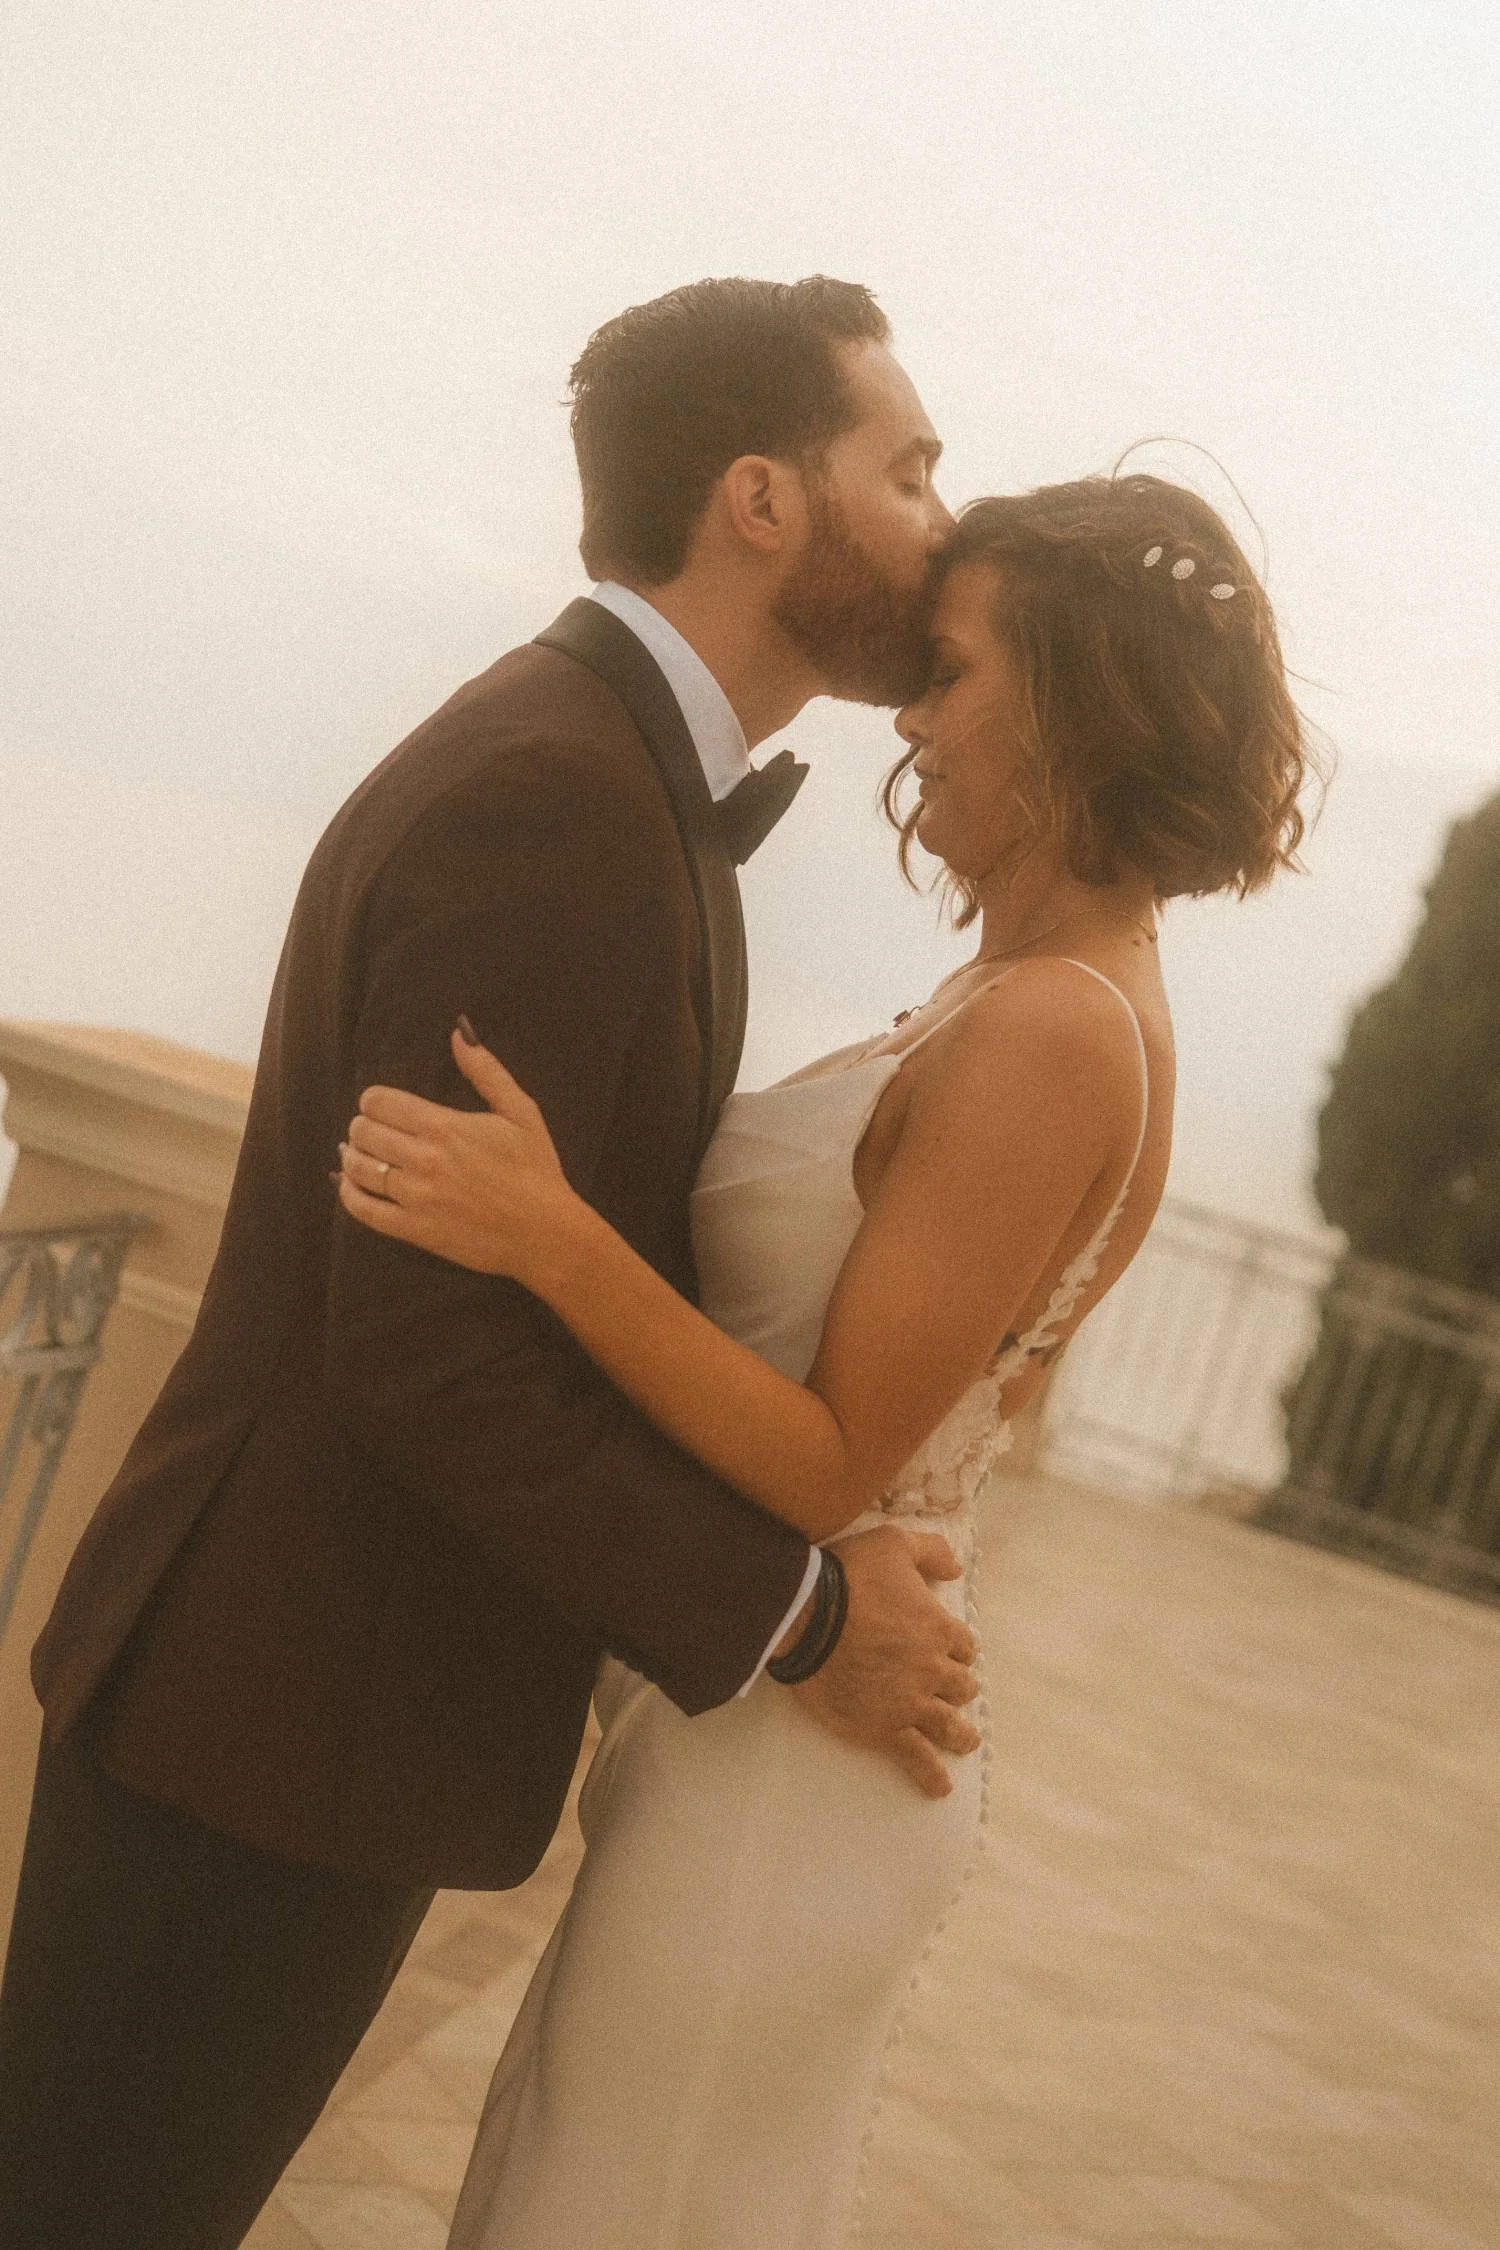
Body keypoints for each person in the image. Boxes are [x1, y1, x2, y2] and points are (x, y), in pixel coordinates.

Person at [0, 276, 982, 2250]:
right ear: (764, 500)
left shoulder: (613, 783)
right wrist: (796, 1617)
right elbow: (430, 1357)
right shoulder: (558, 800)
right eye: (912, 464)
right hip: (265, 1718)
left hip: (301, 1715)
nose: (946, 519)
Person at [335, 469, 1315, 2247]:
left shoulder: (1059, 1031)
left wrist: (549, 1232)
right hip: (754, 1731)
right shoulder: (1014, 986)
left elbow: (824, 1462)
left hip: (803, 1779)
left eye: (949, 673)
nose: (911, 720)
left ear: (1078, 704)